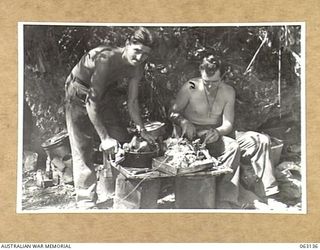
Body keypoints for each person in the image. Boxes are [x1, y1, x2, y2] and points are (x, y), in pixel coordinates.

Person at [170, 55, 281, 209]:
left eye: (214, 83)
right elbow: (173, 113)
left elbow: (228, 124)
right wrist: (184, 122)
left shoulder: (228, 91)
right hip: (192, 138)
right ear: (200, 73)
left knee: (261, 140)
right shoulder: (191, 86)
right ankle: (225, 200)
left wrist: (217, 132)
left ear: (222, 77)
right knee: (232, 146)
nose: (209, 87)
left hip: (216, 134)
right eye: (206, 82)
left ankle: (269, 194)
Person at [65, 27, 157, 209]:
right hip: (78, 91)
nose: (139, 58)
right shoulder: (106, 59)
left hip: (104, 92)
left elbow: (132, 101)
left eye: (145, 54)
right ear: (127, 44)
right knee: (83, 147)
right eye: (137, 51)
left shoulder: (138, 67)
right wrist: (104, 138)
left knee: (122, 138)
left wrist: (142, 130)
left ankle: (121, 191)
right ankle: (86, 202)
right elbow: (91, 103)